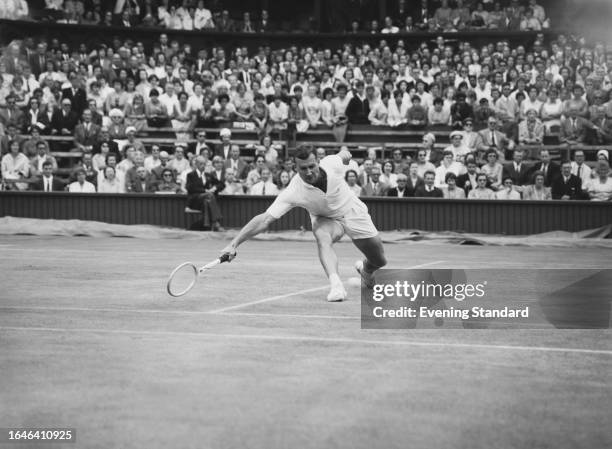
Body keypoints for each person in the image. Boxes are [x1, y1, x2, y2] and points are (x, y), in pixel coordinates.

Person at [220, 146, 387, 302]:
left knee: (379, 261)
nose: (309, 172)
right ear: (295, 168)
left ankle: (366, 270)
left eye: (311, 166)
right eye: (303, 168)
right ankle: (336, 286)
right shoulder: (294, 190)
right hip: (325, 219)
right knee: (323, 238)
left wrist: (346, 153)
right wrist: (233, 244)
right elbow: (265, 220)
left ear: (318, 162)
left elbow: (343, 153)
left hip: (352, 211)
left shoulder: (331, 163)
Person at [185, 156, 225, 231]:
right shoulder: (190, 175)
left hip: (205, 200)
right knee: (209, 195)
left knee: (207, 201)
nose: (203, 166)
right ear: (196, 164)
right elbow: (190, 188)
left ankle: (207, 225)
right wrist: (205, 191)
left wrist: (215, 188)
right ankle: (216, 222)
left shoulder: (208, 175)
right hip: (195, 200)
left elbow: (222, 184)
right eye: (201, 164)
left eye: (204, 164)